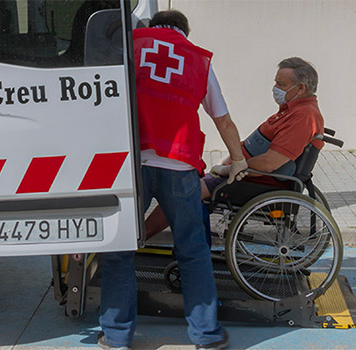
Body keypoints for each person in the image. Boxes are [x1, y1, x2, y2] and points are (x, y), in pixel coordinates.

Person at [98, 9, 247, 350]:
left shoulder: (128, 46)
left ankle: (117, 337)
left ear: (153, 26)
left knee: (119, 250)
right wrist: (237, 159)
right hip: (179, 166)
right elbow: (223, 120)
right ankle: (206, 336)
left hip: (131, 163)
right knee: (193, 250)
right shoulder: (197, 59)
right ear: (184, 32)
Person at [146, 57, 325, 239]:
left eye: (281, 84)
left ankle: (145, 234)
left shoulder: (303, 116)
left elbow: (271, 162)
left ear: (301, 88)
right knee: (185, 186)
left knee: (184, 192)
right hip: (247, 174)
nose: (275, 89)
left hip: (256, 180)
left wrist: (230, 168)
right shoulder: (292, 111)